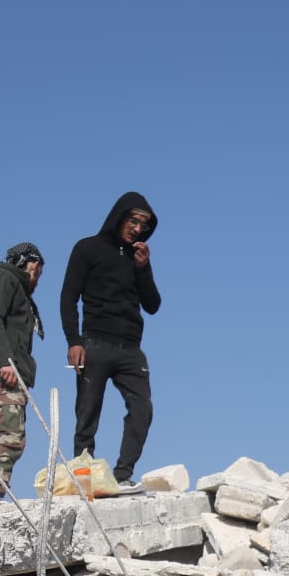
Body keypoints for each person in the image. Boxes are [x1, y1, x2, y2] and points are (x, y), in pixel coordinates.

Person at [59, 192, 161, 486]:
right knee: (87, 413)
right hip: (94, 343)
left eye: (144, 224)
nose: (138, 229)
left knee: (143, 408)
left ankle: (123, 476)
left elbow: (153, 305)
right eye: (133, 221)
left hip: (131, 348)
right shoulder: (87, 248)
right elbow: (68, 297)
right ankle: (85, 475)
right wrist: (73, 341)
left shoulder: (138, 258)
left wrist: (144, 270)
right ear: (119, 217)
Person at [0, 243, 45, 503]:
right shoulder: (6, 279)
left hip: (9, 370)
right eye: (37, 274)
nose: (37, 282)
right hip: (3, 371)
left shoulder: (13, 286)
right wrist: (5, 361)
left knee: (4, 437)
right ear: (31, 264)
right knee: (11, 436)